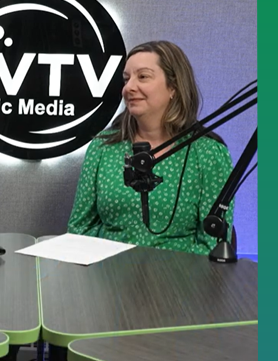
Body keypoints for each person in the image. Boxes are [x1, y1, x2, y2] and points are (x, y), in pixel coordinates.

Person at [67, 41, 234, 255]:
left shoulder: (209, 153)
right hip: (107, 276)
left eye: (143, 76)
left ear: (174, 87)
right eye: (126, 79)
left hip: (180, 281)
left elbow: (211, 245)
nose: (129, 87)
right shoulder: (103, 146)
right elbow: (80, 229)